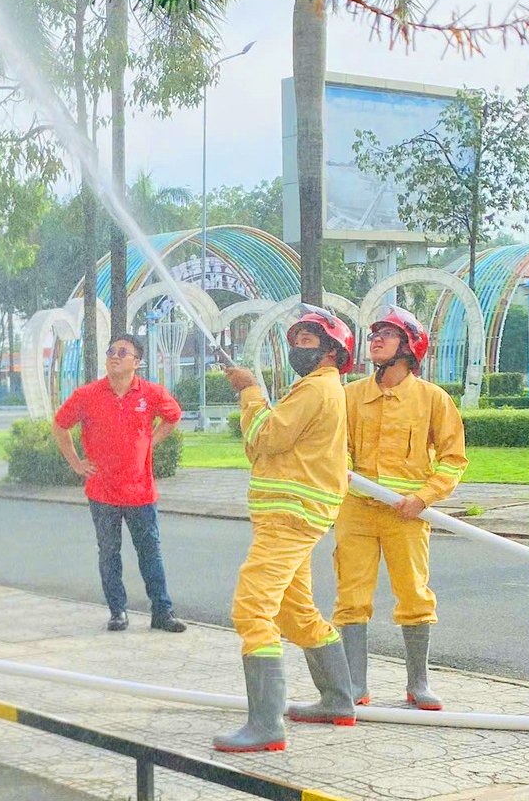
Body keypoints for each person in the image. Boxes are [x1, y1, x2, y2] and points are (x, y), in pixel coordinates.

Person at [214, 305, 356, 754]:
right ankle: (338, 700)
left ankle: (265, 726)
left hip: (289, 518)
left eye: (308, 342)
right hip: (297, 515)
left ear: (332, 350)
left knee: (252, 609)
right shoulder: (322, 389)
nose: (298, 349)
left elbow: (267, 438)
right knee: (294, 614)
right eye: (296, 342)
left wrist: (250, 392)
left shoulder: (316, 390)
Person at [334, 306, 467, 712]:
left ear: (409, 347)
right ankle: (355, 684)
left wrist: (424, 497)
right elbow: (333, 448)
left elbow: (453, 457)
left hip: (407, 516)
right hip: (355, 512)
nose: (375, 340)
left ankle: (418, 684)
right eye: (374, 334)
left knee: (413, 594)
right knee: (351, 596)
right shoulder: (350, 395)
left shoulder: (432, 400)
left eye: (387, 334)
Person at [53, 333, 188, 634]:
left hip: (140, 492)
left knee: (150, 552)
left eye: (122, 352)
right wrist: (76, 463)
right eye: (111, 351)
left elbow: (173, 415)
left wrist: (152, 441)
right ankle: (117, 611)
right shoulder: (87, 395)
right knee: (109, 552)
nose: (114, 356)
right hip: (102, 493)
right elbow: (60, 425)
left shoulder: (150, 393)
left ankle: (162, 612)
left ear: (136, 362)